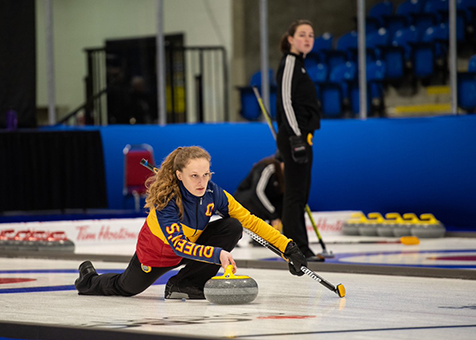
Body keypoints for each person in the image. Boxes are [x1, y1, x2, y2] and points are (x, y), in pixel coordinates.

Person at [74, 146, 307, 300]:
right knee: (125, 288)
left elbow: (250, 221)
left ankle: (184, 284)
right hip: (156, 256)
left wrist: (287, 247)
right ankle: (88, 280)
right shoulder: (167, 202)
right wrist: (218, 255)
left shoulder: (214, 194)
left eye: (206, 174)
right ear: (178, 175)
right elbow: (177, 245)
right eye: (194, 175)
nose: (202, 182)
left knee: (233, 226)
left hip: (192, 248)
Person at [276, 20, 322, 261]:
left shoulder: (300, 65)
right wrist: (296, 137)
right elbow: (286, 102)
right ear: (291, 39)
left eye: (311, 35)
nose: (307, 38)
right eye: (302, 34)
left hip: (304, 136)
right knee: (295, 194)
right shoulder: (290, 63)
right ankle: (296, 249)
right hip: (295, 137)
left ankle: (300, 247)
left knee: (301, 194)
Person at [233, 153, 285, 241]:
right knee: (256, 200)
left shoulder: (289, 174)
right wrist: (273, 216)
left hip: (265, 200)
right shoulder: (269, 167)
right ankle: (252, 236)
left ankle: (275, 234)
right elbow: (257, 192)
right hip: (245, 200)